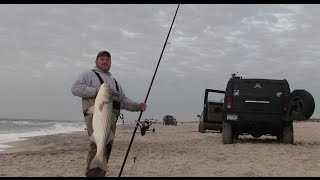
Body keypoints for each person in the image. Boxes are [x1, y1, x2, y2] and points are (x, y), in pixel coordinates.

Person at [71, 50, 147, 177]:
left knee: (107, 145)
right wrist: (94, 90)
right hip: (95, 116)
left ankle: (101, 173)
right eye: (102, 59)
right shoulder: (88, 74)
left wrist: (138, 106)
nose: (105, 61)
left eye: (108, 59)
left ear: (111, 63)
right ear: (96, 61)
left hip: (111, 119)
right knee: (96, 144)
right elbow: (75, 89)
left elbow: (123, 101)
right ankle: (92, 175)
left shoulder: (115, 82)